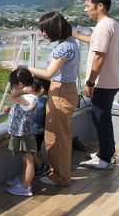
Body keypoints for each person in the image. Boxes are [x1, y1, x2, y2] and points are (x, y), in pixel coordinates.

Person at [25, 12, 81, 186]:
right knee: (61, 136)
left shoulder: (64, 48)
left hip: (61, 92)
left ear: (54, 28)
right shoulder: (70, 43)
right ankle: (60, 173)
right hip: (66, 90)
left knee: (56, 138)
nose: (43, 34)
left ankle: (61, 177)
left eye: (45, 30)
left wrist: (26, 68)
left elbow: (50, 73)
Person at [73, 0, 119, 170]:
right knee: (104, 119)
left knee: (101, 120)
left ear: (99, 5)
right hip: (112, 80)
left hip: (103, 83)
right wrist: (73, 34)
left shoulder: (103, 27)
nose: (86, 10)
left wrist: (90, 82)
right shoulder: (112, 24)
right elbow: (94, 41)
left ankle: (105, 158)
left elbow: (99, 56)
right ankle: (107, 152)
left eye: (87, 6)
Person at [3, 67, 38, 197]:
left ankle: (25, 187)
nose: (12, 89)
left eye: (14, 86)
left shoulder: (28, 98)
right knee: (25, 160)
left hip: (23, 134)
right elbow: (16, 105)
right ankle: (23, 180)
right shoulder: (26, 97)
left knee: (28, 161)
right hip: (23, 133)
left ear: (21, 85)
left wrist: (20, 92)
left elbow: (11, 98)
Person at [32, 77, 51, 178]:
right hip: (41, 130)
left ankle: (40, 167)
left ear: (42, 89)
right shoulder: (49, 100)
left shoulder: (41, 101)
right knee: (38, 149)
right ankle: (38, 168)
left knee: (32, 151)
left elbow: (34, 114)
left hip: (35, 130)